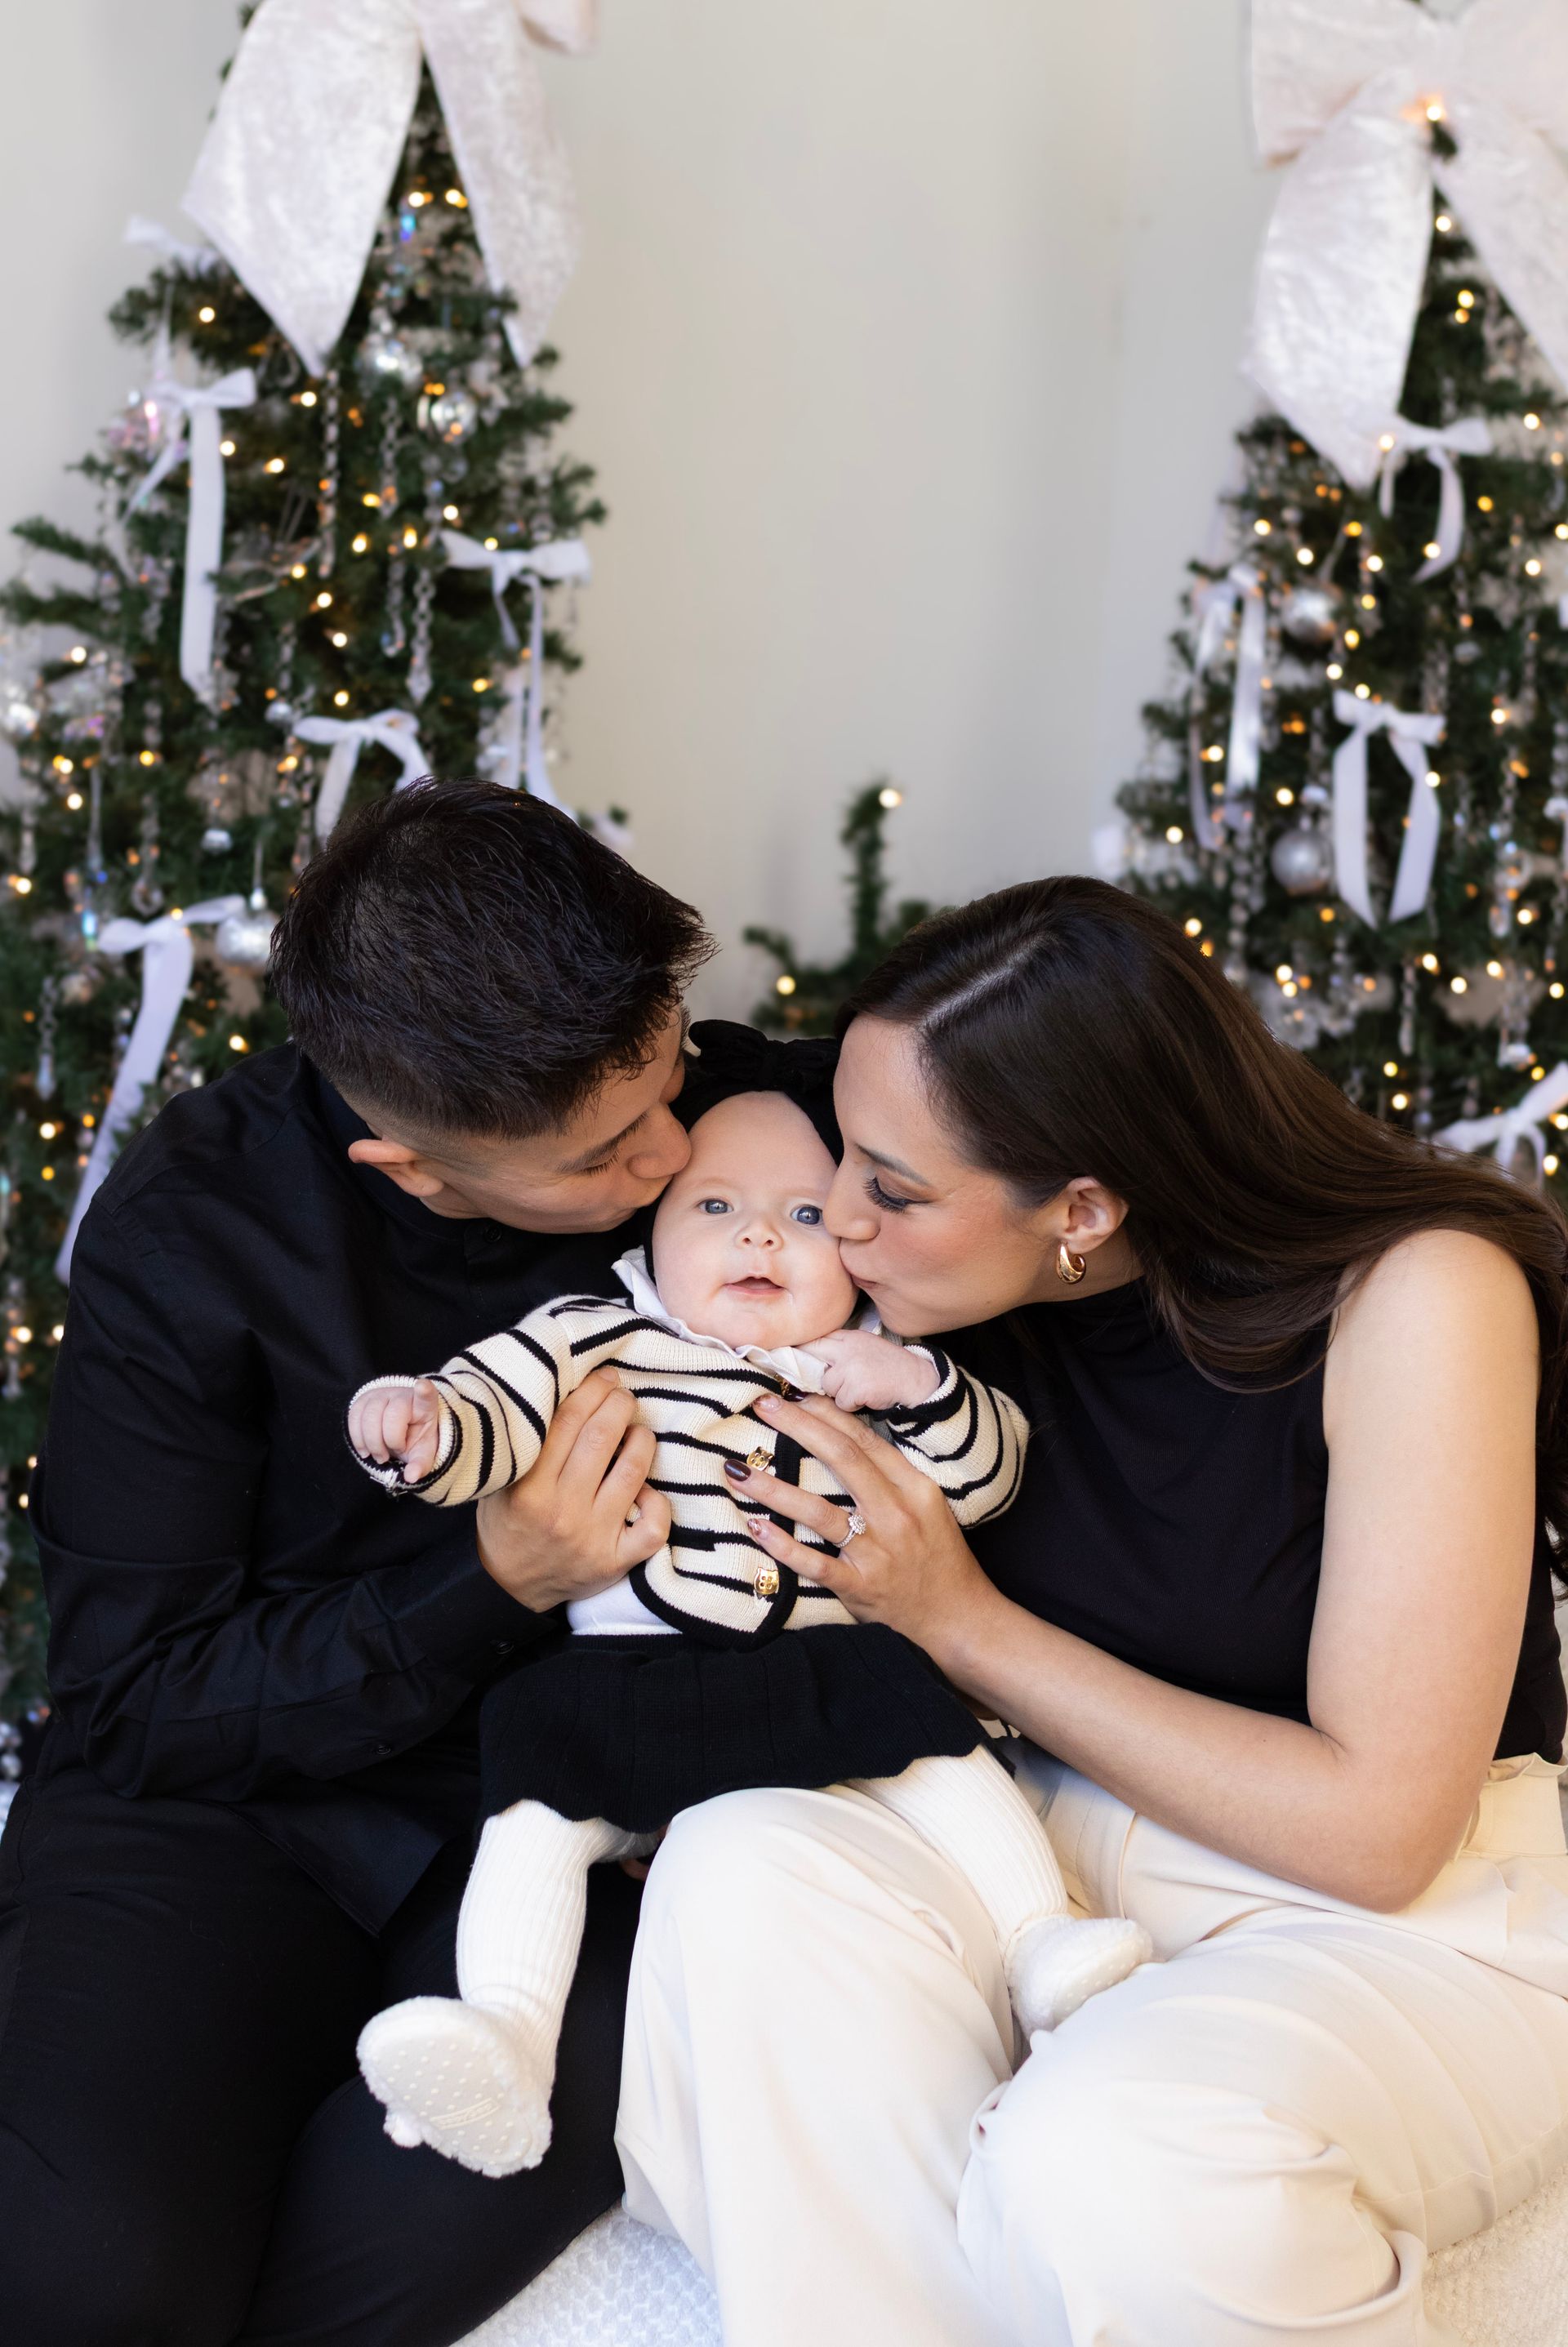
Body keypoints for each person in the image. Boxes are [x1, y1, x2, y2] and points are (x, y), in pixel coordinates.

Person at [616, 876, 1568, 2347]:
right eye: (841, 1161)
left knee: (1113, 2159)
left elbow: (1381, 1832)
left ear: (1081, 1208)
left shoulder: (1421, 1292)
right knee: (744, 1860)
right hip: (1040, 1853)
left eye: (890, 1187)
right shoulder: (928, 1288)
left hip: (1399, 1911)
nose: (837, 1223)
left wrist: (959, 1616)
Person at [0, 780, 713, 2347]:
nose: (676, 1157)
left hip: (565, 1836)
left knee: (448, 2201)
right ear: (412, 1166)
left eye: (674, 1073)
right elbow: (134, 1699)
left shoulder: (747, 1120)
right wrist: (496, 1577)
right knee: (85, 2274)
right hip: (218, 1814)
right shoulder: (193, 1226)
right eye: (603, 1155)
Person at [343, 1031, 1142, 2180]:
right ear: (653, 1234)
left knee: (929, 1728)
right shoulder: (594, 1332)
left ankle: (1041, 1941)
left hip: (818, 1666)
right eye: (715, 1204)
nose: (760, 1233)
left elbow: (989, 1471)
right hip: (634, 1679)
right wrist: (415, 1422)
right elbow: (488, 1408)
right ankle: (508, 2036)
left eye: (805, 1214)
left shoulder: (865, 1354)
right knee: (529, 1781)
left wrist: (919, 1389)